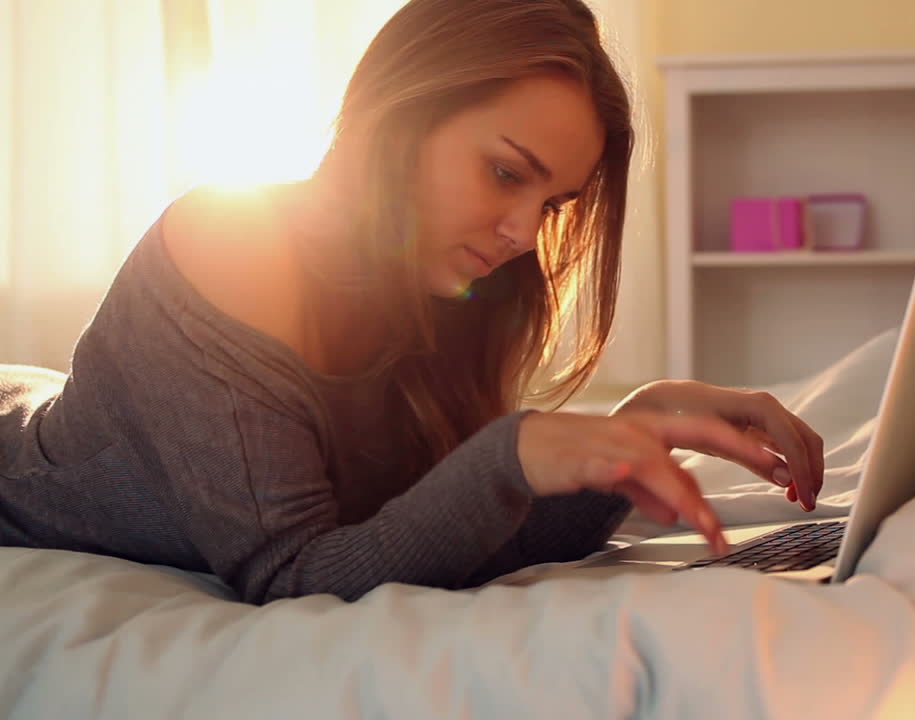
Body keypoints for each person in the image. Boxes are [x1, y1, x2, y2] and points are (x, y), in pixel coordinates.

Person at [0, 0, 823, 605]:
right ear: (399, 114)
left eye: (553, 205)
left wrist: (634, 430)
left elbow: (455, 536)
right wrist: (514, 452)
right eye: (506, 173)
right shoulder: (233, 237)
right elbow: (295, 576)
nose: (523, 235)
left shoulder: (446, 288)